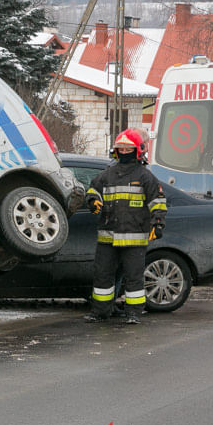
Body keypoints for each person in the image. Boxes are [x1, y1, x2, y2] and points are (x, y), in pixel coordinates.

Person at [84, 128, 167, 324]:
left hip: (134, 237)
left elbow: (158, 202)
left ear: (137, 151)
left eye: (127, 149)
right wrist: (93, 201)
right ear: (115, 151)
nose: (123, 152)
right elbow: (92, 190)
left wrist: (158, 224)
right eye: (120, 148)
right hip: (108, 236)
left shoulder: (145, 177)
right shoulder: (108, 174)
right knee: (102, 276)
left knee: (134, 278)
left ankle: (133, 313)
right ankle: (100, 311)